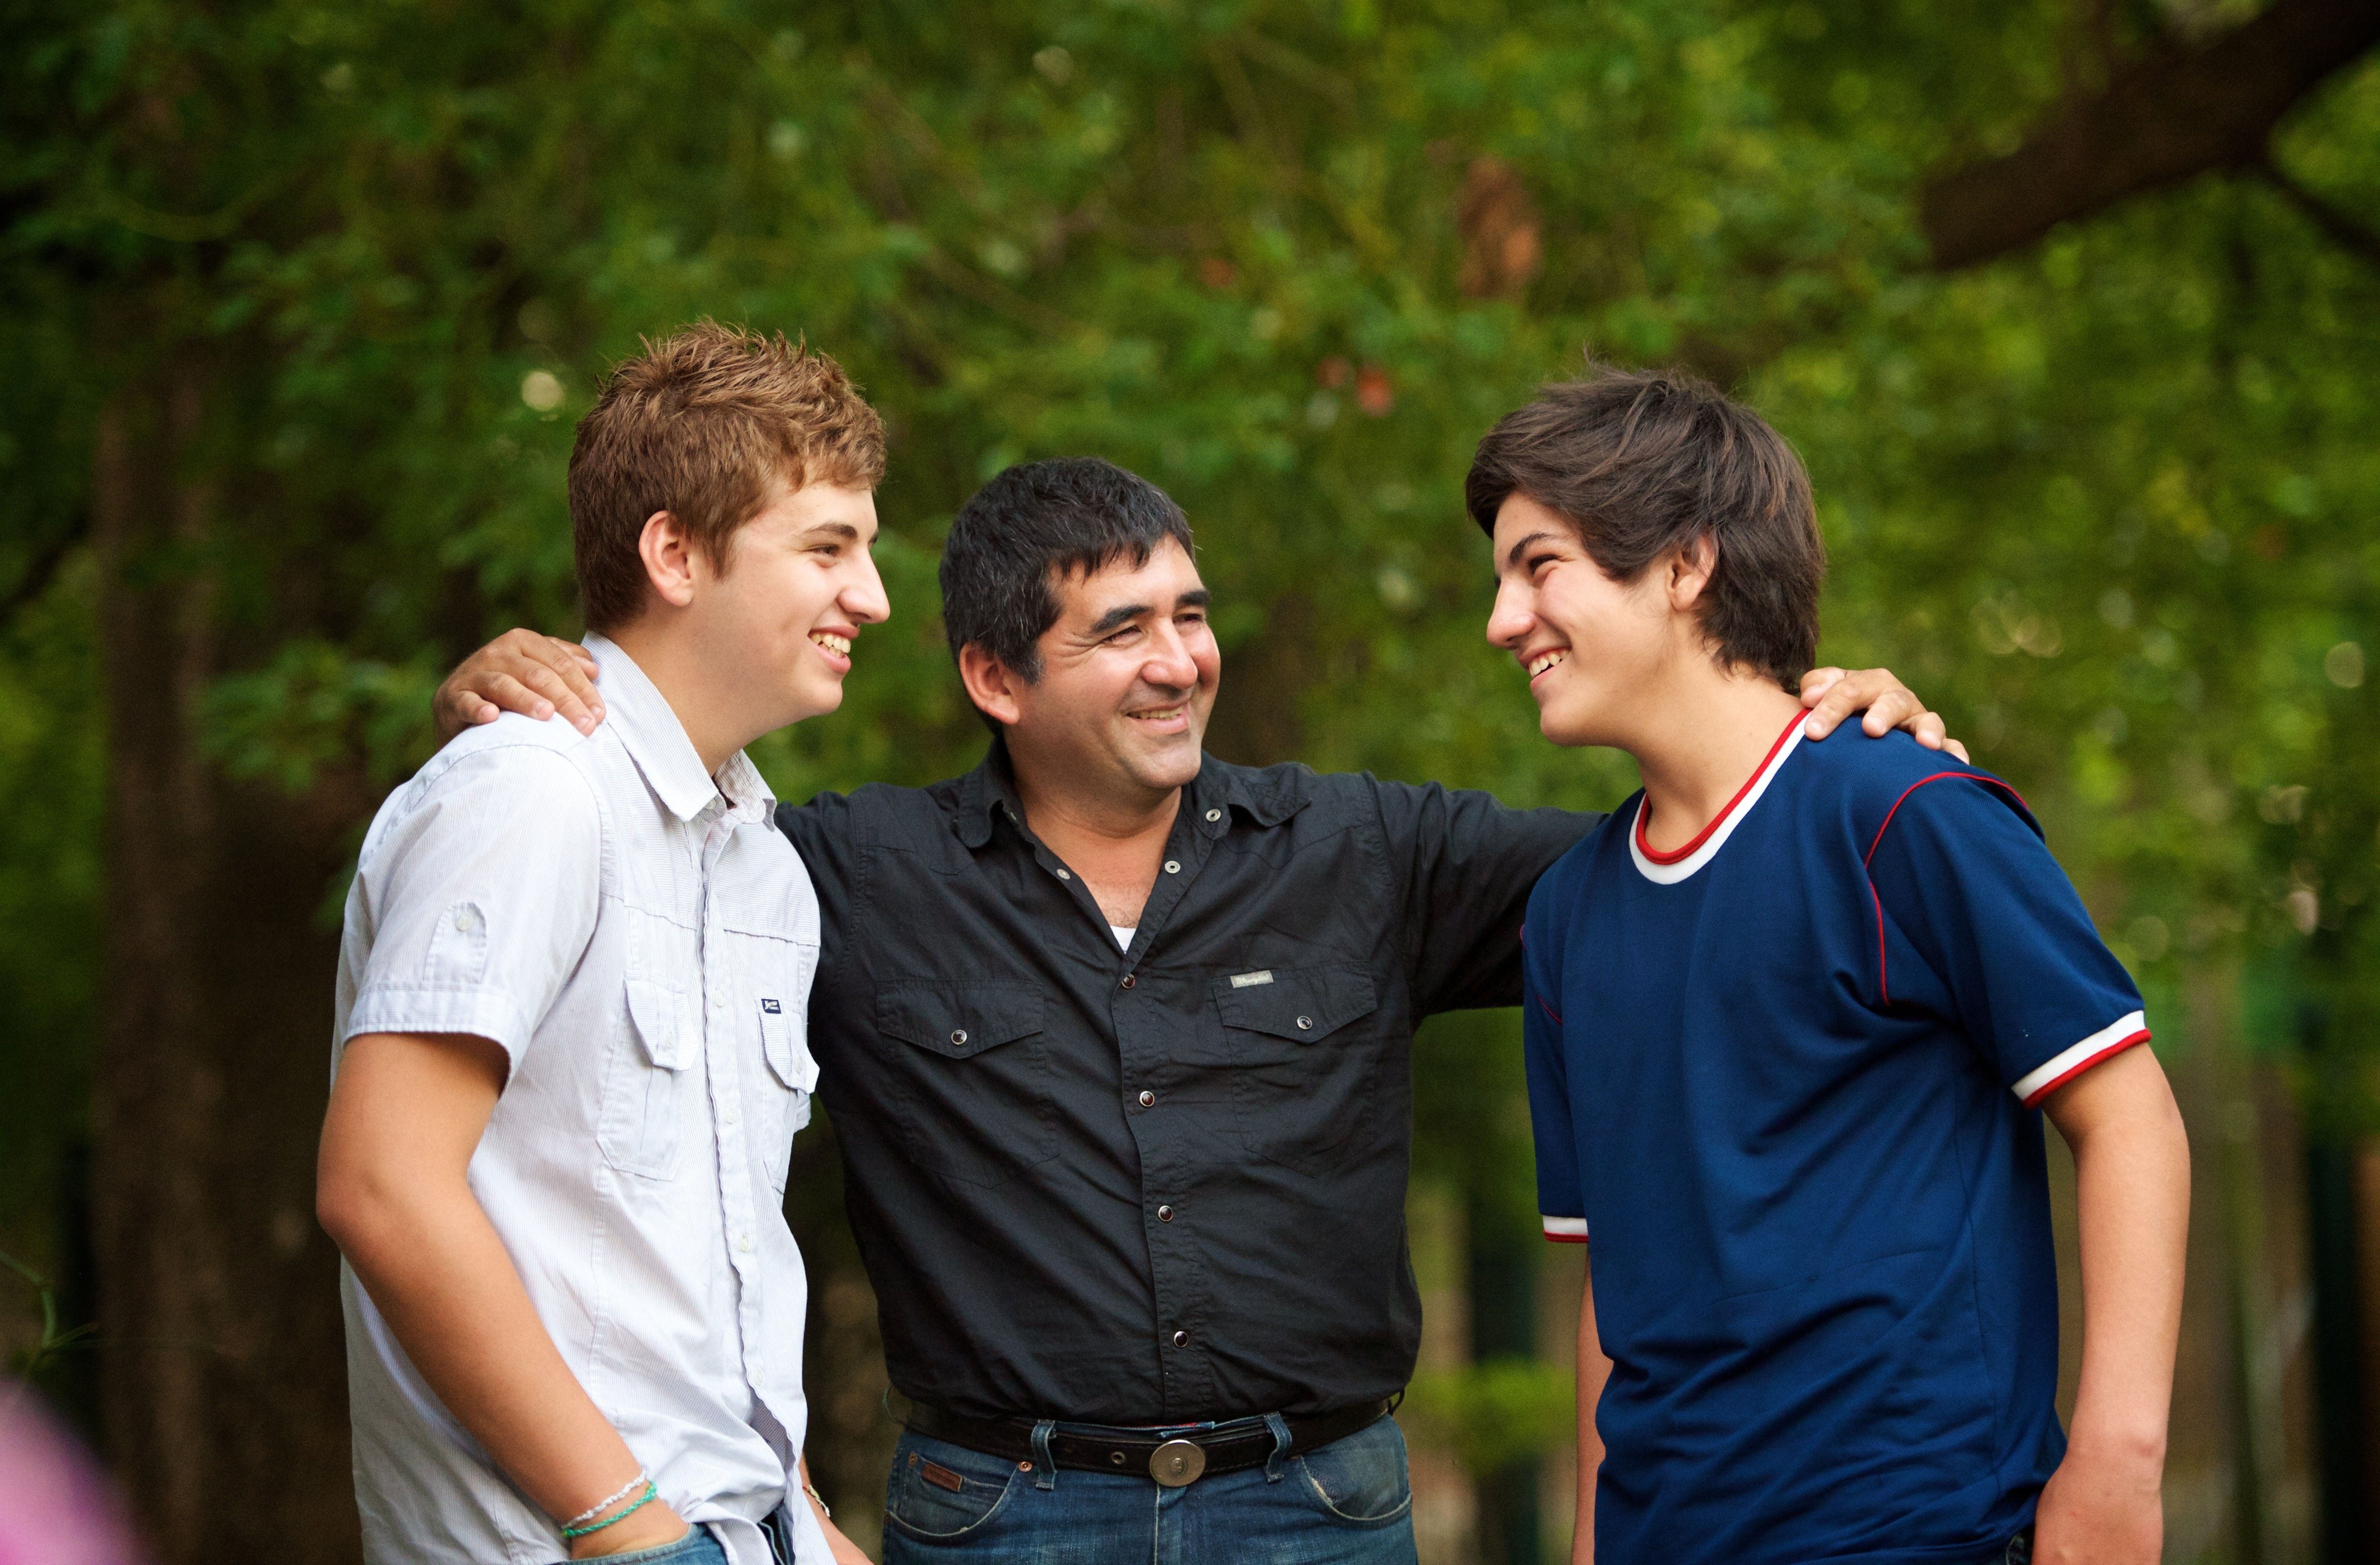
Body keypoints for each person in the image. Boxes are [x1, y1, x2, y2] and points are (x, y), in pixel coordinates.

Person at [435, 455, 1958, 1564]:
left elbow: (1697, 866)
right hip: (997, 1520)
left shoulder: (1370, 853)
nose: (1181, 663)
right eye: (1120, 634)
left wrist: (1819, 737)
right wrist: (523, 686)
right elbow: (641, 834)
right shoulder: (834, 877)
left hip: (1323, 1513)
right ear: (993, 677)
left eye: (1191, 613)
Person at [1474, 369, 2190, 1565]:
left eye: (1537, 565)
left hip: (1919, 1532)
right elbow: (1618, 1283)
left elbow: (2132, 1121)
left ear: (1684, 564)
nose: (1501, 619)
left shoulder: (1902, 814)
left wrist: (2115, 1473)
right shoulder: (1565, 916)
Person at [317, 323, 888, 1565]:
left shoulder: (765, 870)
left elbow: (703, 1253)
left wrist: (806, 1516)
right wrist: (623, 1525)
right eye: (828, 548)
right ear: (676, 552)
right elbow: (383, 1186)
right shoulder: (530, 792)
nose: (872, 597)